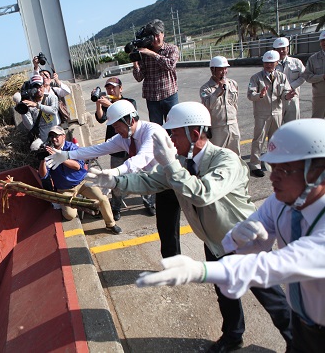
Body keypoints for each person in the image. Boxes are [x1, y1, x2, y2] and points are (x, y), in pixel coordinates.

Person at [85, 102, 292, 353]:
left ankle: (296, 341)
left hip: (245, 242)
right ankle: (233, 336)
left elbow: (203, 194)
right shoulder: (182, 161)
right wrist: (115, 179)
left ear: (194, 135)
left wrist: (171, 164)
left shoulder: (226, 160)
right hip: (215, 243)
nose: (170, 139)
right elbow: (150, 180)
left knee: (271, 298)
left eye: (174, 133)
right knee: (226, 294)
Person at [135, 118, 325, 353]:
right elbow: (240, 243)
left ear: (317, 172)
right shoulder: (281, 202)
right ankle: (237, 335)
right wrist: (238, 239)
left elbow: (274, 266)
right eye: (272, 167)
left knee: (272, 297)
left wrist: (200, 271)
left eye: (284, 169)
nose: (272, 177)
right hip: (303, 320)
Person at [46, 99, 182, 258]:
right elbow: (97, 149)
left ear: (130, 120)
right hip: (156, 182)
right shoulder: (125, 137)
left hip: (173, 180)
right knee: (165, 227)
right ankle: (172, 261)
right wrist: (68, 155)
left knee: (176, 226)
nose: (116, 131)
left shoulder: (152, 131)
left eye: (117, 126)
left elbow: (140, 160)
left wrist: (114, 173)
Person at [38, 125, 121, 234]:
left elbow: (77, 166)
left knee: (102, 198)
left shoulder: (71, 147)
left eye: (56, 136)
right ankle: (84, 206)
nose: (54, 139)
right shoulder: (50, 151)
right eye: (52, 136)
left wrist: (61, 158)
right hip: (65, 189)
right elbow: (43, 175)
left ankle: (111, 224)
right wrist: (42, 159)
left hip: (82, 182)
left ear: (63, 136)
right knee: (69, 215)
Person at [93, 77, 155, 219]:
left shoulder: (128, 102)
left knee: (143, 175)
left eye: (113, 87)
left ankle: (149, 202)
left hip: (134, 145)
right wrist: (98, 103)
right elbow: (101, 118)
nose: (110, 90)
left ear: (120, 88)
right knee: (115, 179)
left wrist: (110, 105)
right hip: (117, 145)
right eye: (108, 88)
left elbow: (129, 114)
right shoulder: (105, 103)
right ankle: (116, 206)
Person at [247, 50, 295, 178]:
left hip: (277, 112)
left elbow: (285, 92)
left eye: (271, 62)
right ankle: (255, 165)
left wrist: (288, 95)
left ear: (277, 63)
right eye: (266, 63)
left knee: (275, 140)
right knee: (258, 140)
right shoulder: (256, 78)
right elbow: (250, 95)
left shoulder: (281, 77)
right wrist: (260, 95)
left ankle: (273, 162)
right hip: (262, 113)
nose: (268, 65)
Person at [132, 19, 179, 126]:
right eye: (153, 36)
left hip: (169, 95)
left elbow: (170, 65)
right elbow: (139, 77)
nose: (156, 39)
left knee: (174, 127)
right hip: (152, 98)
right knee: (156, 129)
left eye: (158, 35)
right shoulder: (144, 53)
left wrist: (152, 54)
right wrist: (135, 62)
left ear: (163, 34)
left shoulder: (171, 49)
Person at [200, 56, 241, 155]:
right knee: (217, 155)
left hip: (232, 125)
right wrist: (218, 91)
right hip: (217, 127)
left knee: (235, 155)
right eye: (220, 69)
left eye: (225, 68)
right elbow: (207, 105)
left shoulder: (232, 84)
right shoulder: (205, 89)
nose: (224, 72)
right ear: (212, 70)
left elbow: (235, 103)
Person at [19, 74, 60, 150]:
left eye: (40, 87)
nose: (38, 90)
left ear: (44, 86)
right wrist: (23, 110)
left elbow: (54, 111)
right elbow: (30, 126)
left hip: (57, 138)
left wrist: (37, 105)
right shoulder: (29, 104)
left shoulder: (51, 97)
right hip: (43, 141)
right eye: (35, 88)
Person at [273, 37, 306, 123]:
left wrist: (291, 86)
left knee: (293, 125)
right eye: (278, 49)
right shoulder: (271, 64)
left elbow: (304, 76)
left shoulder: (296, 62)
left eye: (283, 48)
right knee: (276, 127)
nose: (281, 51)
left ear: (288, 49)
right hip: (277, 99)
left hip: (292, 98)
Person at [302, 30, 325, 119]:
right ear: (320, 43)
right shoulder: (313, 59)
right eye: (322, 40)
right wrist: (322, 77)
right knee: (317, 123)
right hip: (319, 97)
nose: (324, 42)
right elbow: (307, 76)